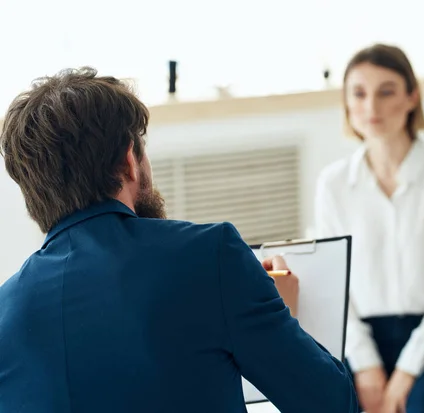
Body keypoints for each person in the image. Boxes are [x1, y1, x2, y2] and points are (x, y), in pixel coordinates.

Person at [0, 67, 359, 413]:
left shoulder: (7, 311)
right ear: (130, 161)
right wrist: (285, 317)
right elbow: (329, 401)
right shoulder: (210, 256)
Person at [314, 44, 424, 413]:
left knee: (423, 406)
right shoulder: (333, 184)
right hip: (358, 346)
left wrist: (406, 371)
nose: (371, 107)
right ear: (346, 102)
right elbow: (333, 287)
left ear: (411, 97)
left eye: (386, 91)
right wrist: (367, 366)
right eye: (359, 93)